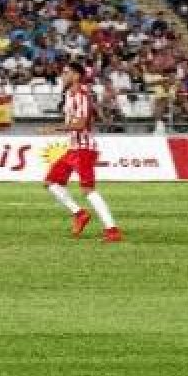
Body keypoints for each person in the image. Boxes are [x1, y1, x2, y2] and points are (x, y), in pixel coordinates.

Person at [42, 63, 122, 242]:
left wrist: (55, 129)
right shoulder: (69, 95)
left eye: (66, 72)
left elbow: (80, 124)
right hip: (73, 149)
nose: (62, 75)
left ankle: (112, 230)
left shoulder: (82, 95)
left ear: (77, 76)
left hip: (84, 149)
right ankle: (79, 214)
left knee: (88, 190)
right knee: (51, 181)